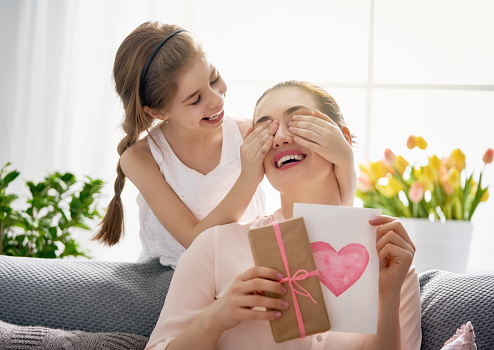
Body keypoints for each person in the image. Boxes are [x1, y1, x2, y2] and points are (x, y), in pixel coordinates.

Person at [145, 81, 421, 350]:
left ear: (343, 138)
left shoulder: (389, 262)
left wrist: (388, 295)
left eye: (298, 122)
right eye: (265, 130)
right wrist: (215, 319)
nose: (279, 137)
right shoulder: (216, 247)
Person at [93, 22, 278, 267]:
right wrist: (249, 177)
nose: (216, 99)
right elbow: (194, 240)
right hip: (173, 275)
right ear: (158, 111)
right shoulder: (142, 158)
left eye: (214, 79)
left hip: (243, 268)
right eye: (195, 99)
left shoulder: (248, 132)